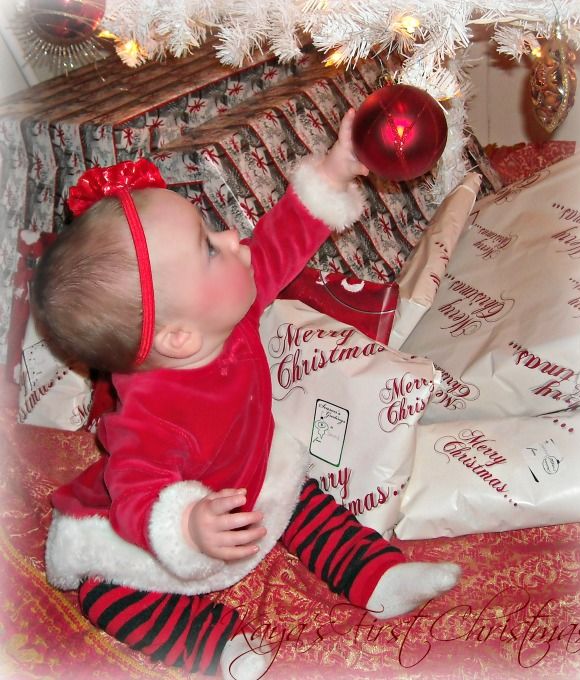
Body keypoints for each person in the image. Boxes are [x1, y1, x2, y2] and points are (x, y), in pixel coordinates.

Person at [33, 110, 460, 679]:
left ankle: (378, 576)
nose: (233, 237)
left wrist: (337, 169)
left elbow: (283, 238)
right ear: (177, 336)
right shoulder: (151, 413)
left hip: (250, 479)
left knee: (310, 505)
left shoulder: (230, 308)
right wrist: (185, 527)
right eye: (210, 248)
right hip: (155, 528)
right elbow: (134, 489)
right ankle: (211, 645)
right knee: (109, 596)